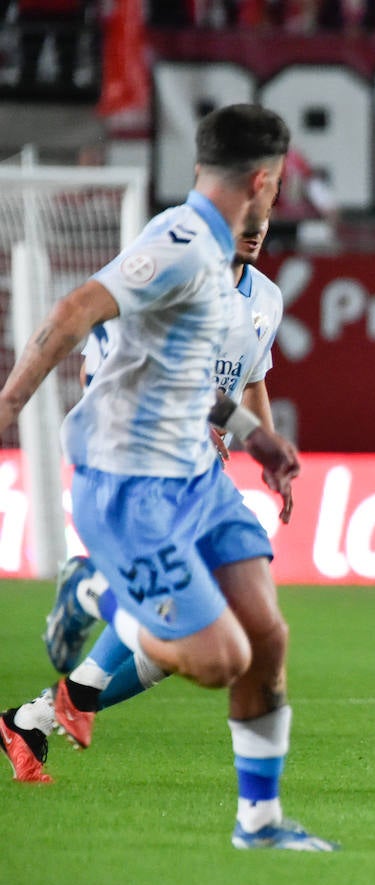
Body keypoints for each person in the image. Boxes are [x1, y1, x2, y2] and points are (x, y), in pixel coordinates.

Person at [0, 103, 336, 851]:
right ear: (263, 181)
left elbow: (190, 378)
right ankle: (94, 589)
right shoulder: (180, 243)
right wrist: (7, 408)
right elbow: (72, 313)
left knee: (265, 636)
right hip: (133, 482)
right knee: (219, 659)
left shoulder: (230, 269)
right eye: (277, 185)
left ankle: (260, 822)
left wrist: (258, 439)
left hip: (197, 474)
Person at [36, 211, 288, 764]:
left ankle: (39, 717)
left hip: (200, 478)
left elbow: (249, 383)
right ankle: (85, 612)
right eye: (245, 217)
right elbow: (99, 376)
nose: (256, 228)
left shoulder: (265, 299)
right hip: (137, 468)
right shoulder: (159, 289)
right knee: (200, 622)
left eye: (264, 217)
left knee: (195, 640)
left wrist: (265, 449)